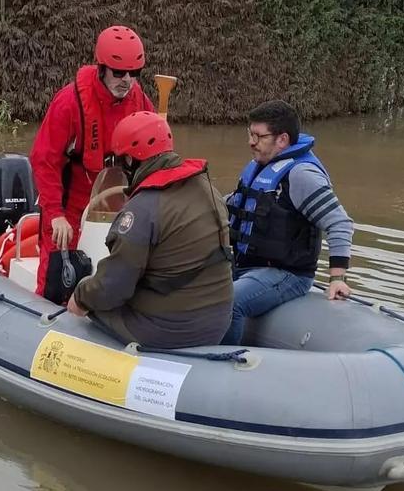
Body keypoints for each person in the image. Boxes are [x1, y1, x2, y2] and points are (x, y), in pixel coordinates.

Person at [66, 112, 233, 349]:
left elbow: (114, 286)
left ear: (131, 161)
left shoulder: (141, 210)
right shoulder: (208, 189)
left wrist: (80, 296)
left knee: (88, 305)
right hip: (217, 321)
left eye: (120, 160)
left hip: (169, 329)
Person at [29, 26, 154, 297]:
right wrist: (55, 215)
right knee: (57, 272)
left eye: (134, 73)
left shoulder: (141, 102)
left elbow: (156, 159)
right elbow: (44, 160)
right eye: (119, 73)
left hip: (119, 201)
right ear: (101, 68)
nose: (127, 80)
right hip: (70, 202)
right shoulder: (69, 103)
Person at [223, 100, 353, 344]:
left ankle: (221, 363)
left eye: (258, 136)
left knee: (229, 302)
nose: (251, 142)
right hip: (245, 266)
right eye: (250, 134)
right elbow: (234, 203)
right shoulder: (259, 167)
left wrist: (337, 279)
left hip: (286, 274)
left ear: (282, 140)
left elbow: (340, 223)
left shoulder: (301, 175)